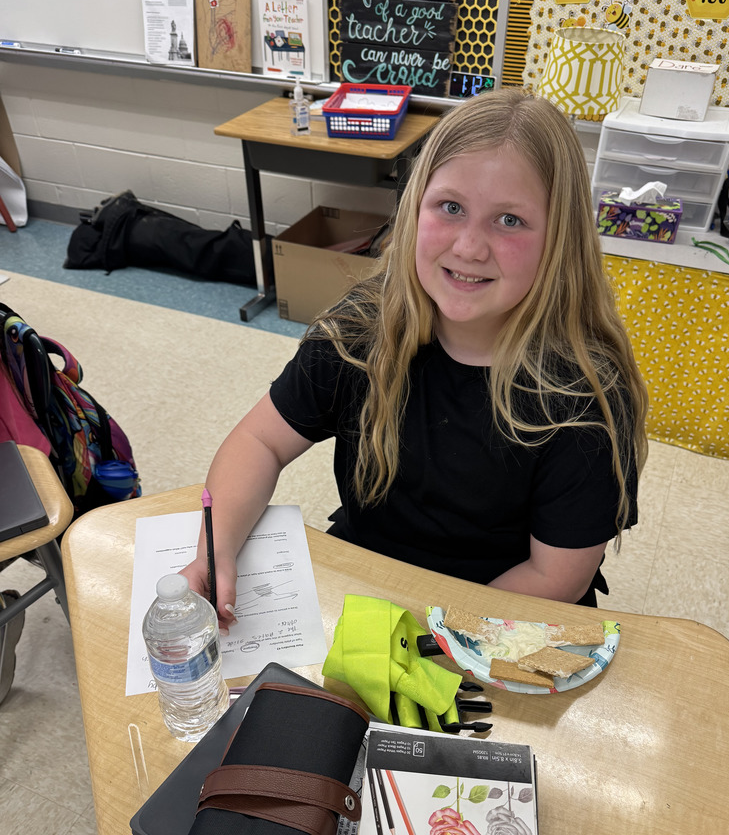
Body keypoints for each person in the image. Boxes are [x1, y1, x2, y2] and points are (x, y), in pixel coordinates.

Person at [183, 89, 648, 627]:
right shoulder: (362, 329)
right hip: (372, 577)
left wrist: (422, 638)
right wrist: (215, 549)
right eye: (451, 208)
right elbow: (259, 440)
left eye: (510, 221)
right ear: (414, 207)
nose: (470, 247)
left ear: (560, 239)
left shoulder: (583, 394)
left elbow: (555, 578)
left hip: (498, 617)